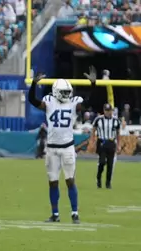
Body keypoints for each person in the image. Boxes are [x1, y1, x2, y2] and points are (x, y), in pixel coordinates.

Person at [28, 67, 97, 223]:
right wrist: (33, 84)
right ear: (56, 91)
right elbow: (33, 100)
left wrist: (93, 84)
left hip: (67, 147)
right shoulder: (49, 102)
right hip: (52, 148)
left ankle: (74, 213)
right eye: (64, 92)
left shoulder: (74, 103)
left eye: (68, 92)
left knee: (70, 180)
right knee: (52, 181)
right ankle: (55, 214)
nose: (67, 94)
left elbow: (88, 103)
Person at [92, 103, 121, 189]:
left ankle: (108, 183)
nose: (108, 112)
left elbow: (118, 133)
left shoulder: (116, 120)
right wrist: (93, 142)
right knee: (101, 162)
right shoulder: (98, 119)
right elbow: (93, 130)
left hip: (111, 142)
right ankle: (98, 178)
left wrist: (118, 145)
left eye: (109, 110)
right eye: (106, 110)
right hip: (102, 142)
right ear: (104, 111)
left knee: (110, 164)